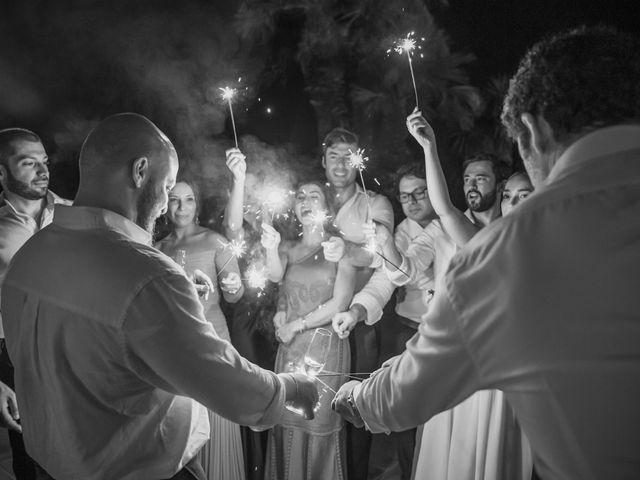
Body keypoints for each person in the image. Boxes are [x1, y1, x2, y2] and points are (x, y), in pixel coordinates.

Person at [333, 25, 640, 480]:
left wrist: (359, 399)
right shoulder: (472, 238)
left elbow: (410, 389)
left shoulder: (507, 251)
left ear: (533, 133)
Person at [1, 113, 318, 480]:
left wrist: (176, 306)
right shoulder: (147, 274)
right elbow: (222, 382)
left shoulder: (28, 256)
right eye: (167, 186)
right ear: (140, 171)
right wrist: (290, 388)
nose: (166, 205)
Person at [262, 180, 357, 480]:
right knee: (285, 422)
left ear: (326, 207)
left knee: (318, 425)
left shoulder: (339, 247)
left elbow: (341, 301)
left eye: (314, 196)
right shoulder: (288, 247)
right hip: (289, 349)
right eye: (300, 196)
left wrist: (297, 324)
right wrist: (280, 309)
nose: (305, 201)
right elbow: (277, 277)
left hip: (324, 351)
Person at [155, 177, 246, 480]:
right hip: (176, 347)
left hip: (214, 338)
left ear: (198, 204)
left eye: (189, 199)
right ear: (165, 204)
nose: (182, 207)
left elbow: (235, 294)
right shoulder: (156, 248)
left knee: (216, 419)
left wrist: (234, 284)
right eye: (175, 199)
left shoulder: (215, 241)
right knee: (184, 425)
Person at [318, 127, 395, 480]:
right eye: (333, 155)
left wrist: (347, 250)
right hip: (313, 321)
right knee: (313, 406)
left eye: (348, 155)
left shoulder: (375, 203)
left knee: (355, 408)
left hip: (357, 324)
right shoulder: (311, 199)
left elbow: (380, 256)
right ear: (323, 161)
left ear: (358, 161)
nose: (340, 163)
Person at [0, 128, 70, 480]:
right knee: (32, 462)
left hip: (79, 358)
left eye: (44, 162)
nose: (44, 171)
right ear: (1, 172)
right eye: (29, 163)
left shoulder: (77, 215)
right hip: (18, 364)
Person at [223, 148, 280, 480]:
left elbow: (276, 277)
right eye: (247, 202)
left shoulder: (276, 235)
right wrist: (239, 179)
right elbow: (231, 227)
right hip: (245, 324)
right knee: (251, 390)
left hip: (275, 324)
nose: (253, 209)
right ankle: (253, 468)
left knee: (274, 391)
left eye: (259, 202)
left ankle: (273, 466)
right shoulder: (238, 235)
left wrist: (272, 243)